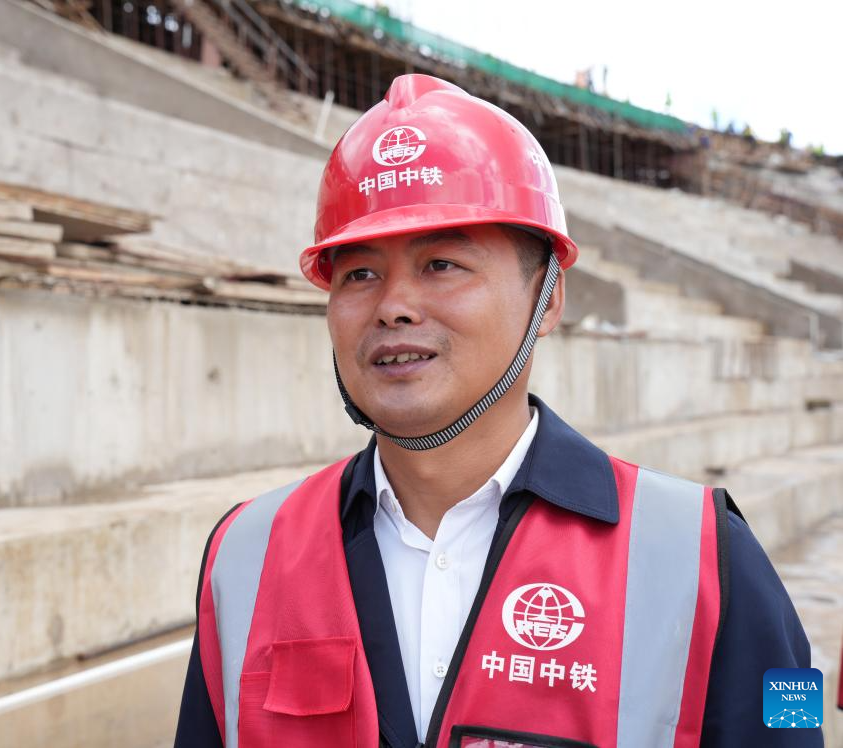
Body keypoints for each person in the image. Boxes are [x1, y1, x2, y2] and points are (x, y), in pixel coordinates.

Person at [174, 74, 820, 747]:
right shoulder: (243, 555)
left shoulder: (709, 552)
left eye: (442, 264)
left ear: (549, 297)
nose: (393, 305)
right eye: (359, 274)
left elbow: (795, 719)